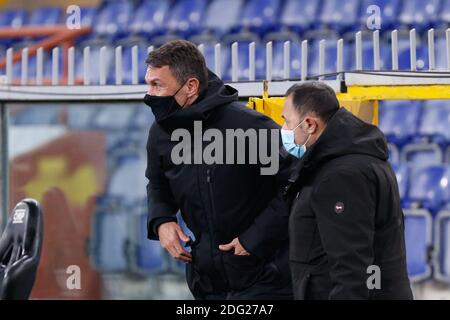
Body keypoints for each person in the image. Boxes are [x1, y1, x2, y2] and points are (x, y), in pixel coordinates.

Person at [144, 40, 293, 300]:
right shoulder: (160, 132)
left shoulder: (251, 127)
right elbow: (157, 184)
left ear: (190, 86)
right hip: (205, 282)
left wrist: (254, 239)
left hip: (266, 280)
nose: (149, 94)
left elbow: (295, 186)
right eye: (148, 83)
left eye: (157, 85)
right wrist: (162, 220)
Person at [281, 82, 413, 300]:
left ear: (309, 124)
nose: (283, 129)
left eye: (287, 121)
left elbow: (350, 267)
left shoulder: (341, 175)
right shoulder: (357, 158)